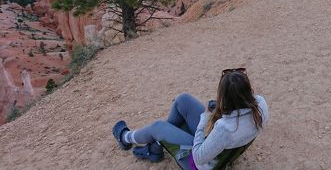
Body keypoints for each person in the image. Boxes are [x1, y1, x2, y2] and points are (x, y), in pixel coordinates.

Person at [112, 68, 269, 169]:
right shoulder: (261, 105)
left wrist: (205, 117)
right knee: (183, 100)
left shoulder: (224, 128)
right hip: (221, 144)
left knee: (158, 127)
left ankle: (126, 138)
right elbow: (236, 120)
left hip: (199, 162)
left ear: (225, 98)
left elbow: (199, 157)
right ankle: (155, 147)